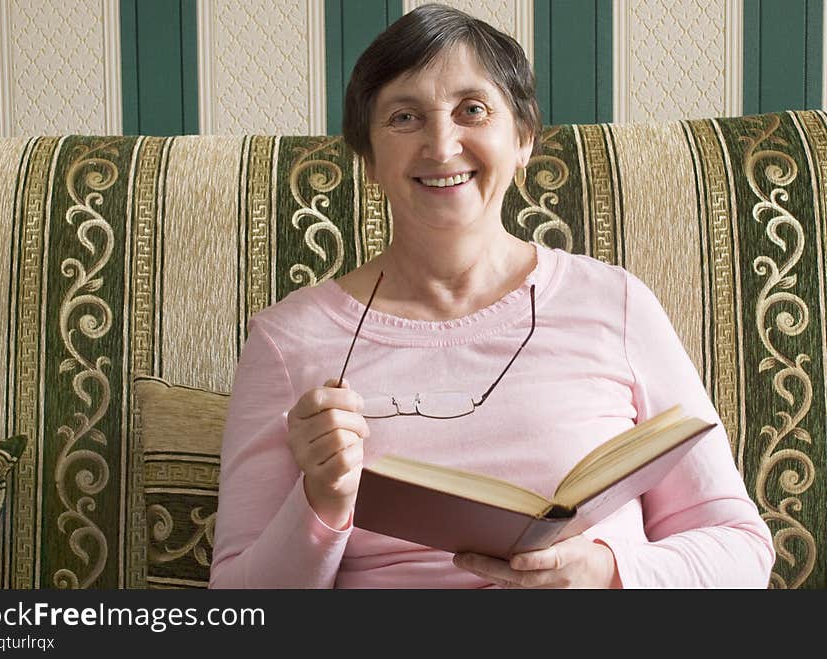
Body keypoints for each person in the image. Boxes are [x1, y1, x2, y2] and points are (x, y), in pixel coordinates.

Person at [209, 3, 775, 588]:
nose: (442, 145)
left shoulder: (616, 303)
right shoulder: (286, 339)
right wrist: (319, 500)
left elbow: (740, 552)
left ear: (523, 138)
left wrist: (609, 574)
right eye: (405, 117)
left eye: (472, 110)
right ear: (368, 160)